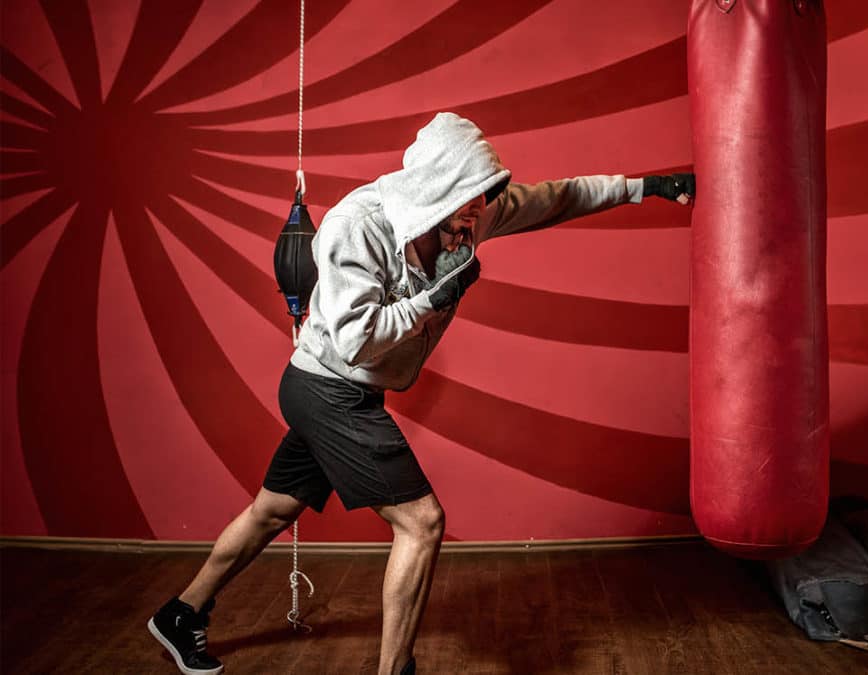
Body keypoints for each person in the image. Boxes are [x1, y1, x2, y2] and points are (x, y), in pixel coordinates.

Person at [147, 112, 696, 675]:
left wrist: (643, 188)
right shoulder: (355, 226)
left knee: (271, 511)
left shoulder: (469, 215)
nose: (472, 227)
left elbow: (559, 197)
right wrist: (433, 299)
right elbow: (357, 341)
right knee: (422, 522)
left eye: (480, 210)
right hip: (326, 388)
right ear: (438, 192)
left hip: (349, 394)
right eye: (466, 212)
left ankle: (180, 612)